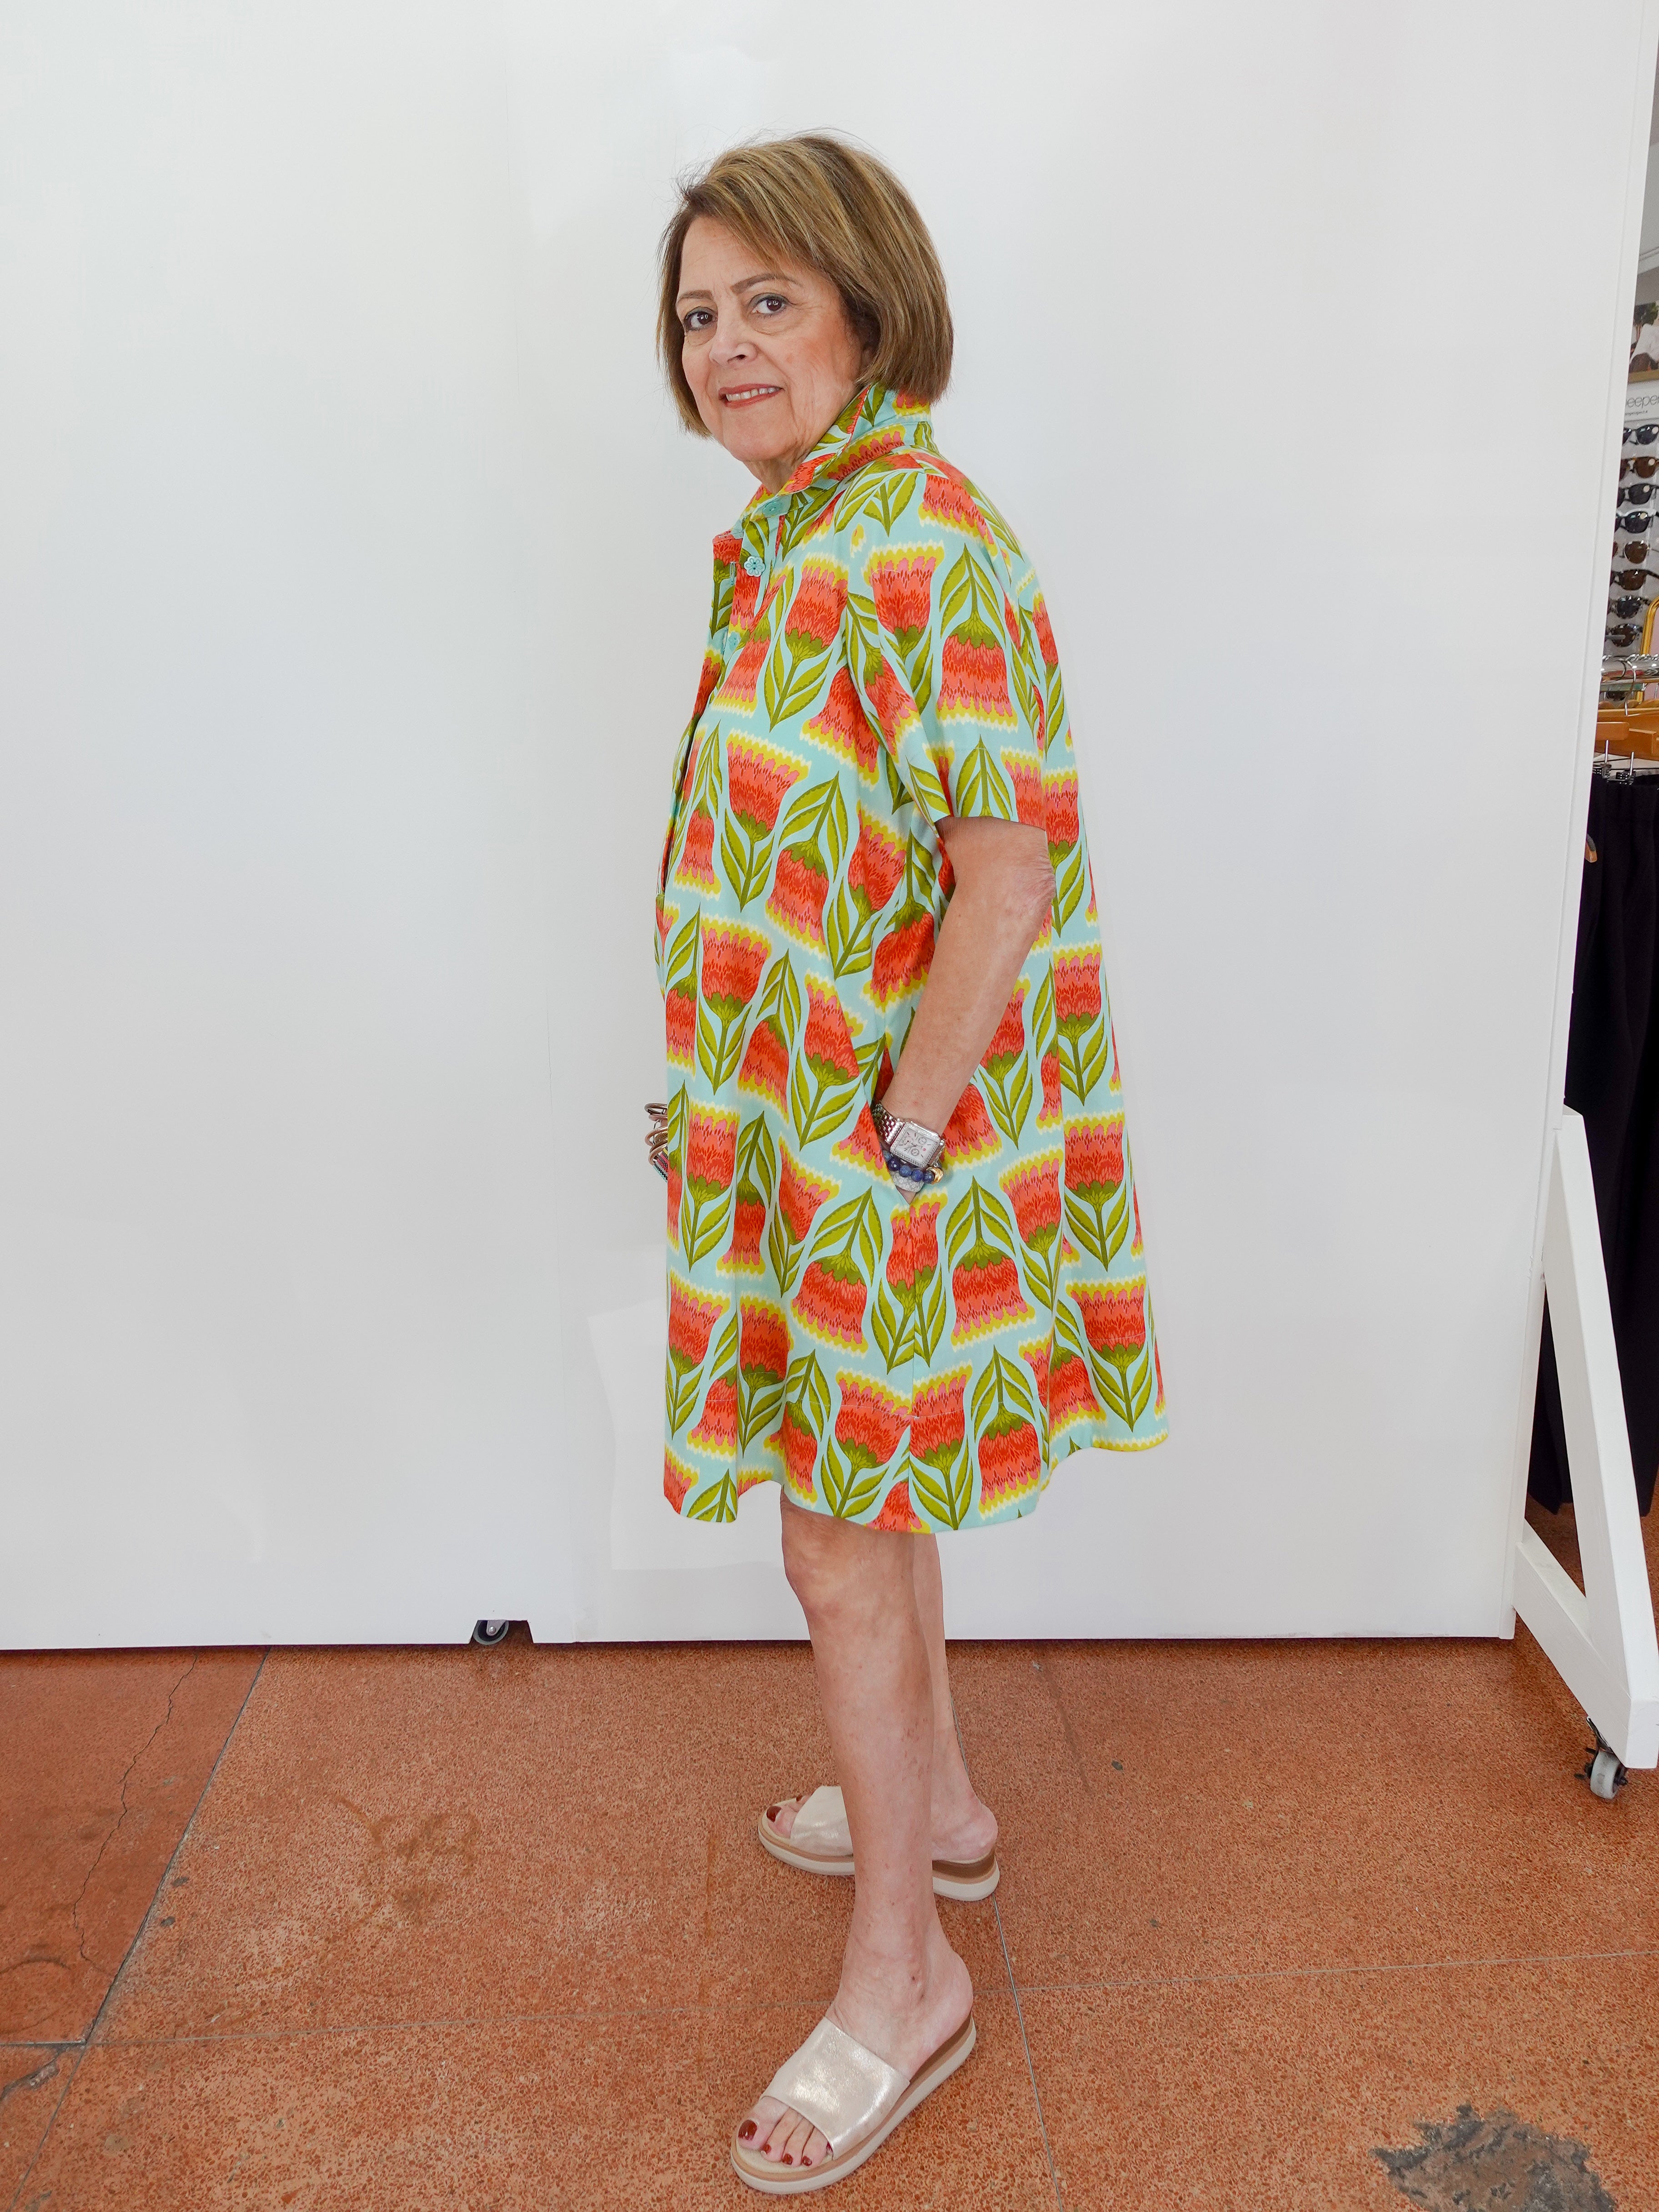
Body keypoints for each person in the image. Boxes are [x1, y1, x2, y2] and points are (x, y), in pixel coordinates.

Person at [652, 133, 1167, 2192]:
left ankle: (901, 1980)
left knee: (832, 1537)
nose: (725, 344)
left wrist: (905, 1129)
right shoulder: (791, 532)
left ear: (870, 301)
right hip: (802, 1129)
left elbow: (1004, 870)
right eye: (699, 313)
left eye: (770, 298)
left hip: (881, 1143)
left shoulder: (920, 544)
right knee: (868, 1491)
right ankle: (935, 1802)